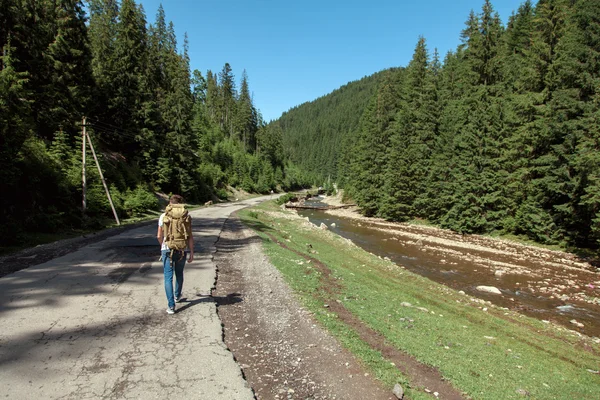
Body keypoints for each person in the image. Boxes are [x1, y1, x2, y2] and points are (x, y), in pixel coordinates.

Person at [157, 194, 194, 314]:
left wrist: (163, 246)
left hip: (167, 248)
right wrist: (191, 252)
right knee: (179, 273)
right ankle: (177, 296)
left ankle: (171, 306)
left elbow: (159, 236)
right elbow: (189, 236)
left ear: (170, 203)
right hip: (181, 249)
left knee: (168, 277)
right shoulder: (185, 216)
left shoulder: (163, 216)